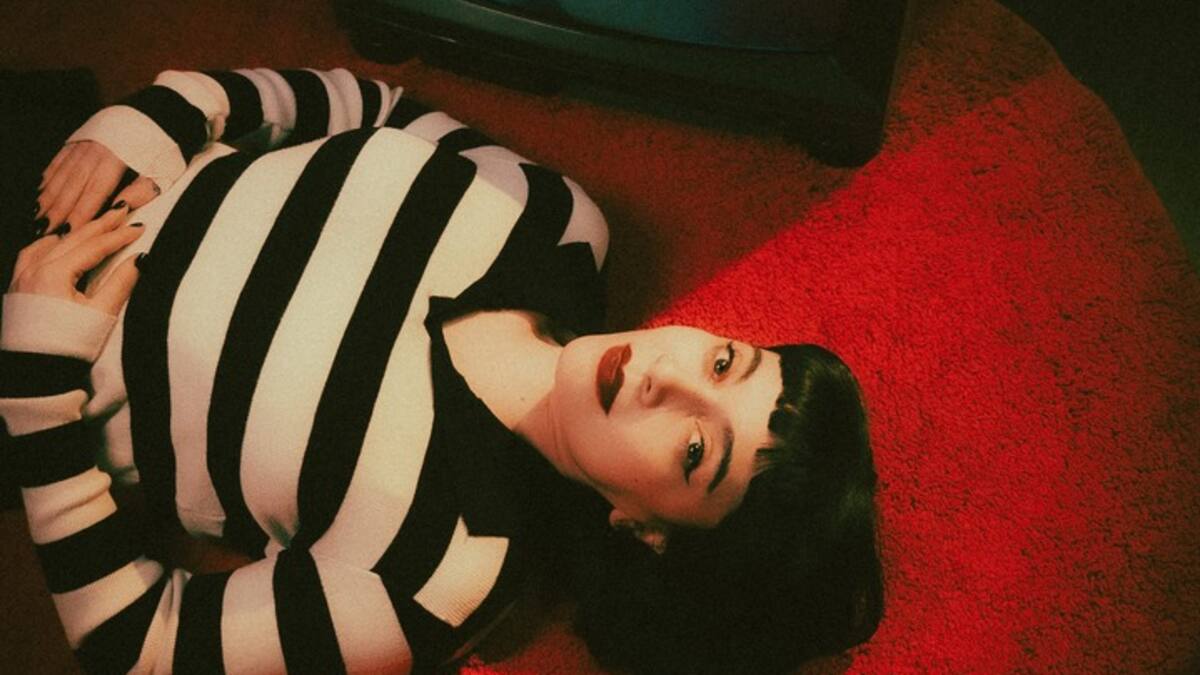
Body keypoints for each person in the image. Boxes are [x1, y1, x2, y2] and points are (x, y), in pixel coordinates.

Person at [2, 67, 883, 674]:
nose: (670, 378)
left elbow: (139, 646)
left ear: (647, 530)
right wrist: (173, 111)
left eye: (696, 452)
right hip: (70, 152)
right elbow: (372, 105)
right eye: (725, 361)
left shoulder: (434, 577)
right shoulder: (559, 223)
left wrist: (35, 377)